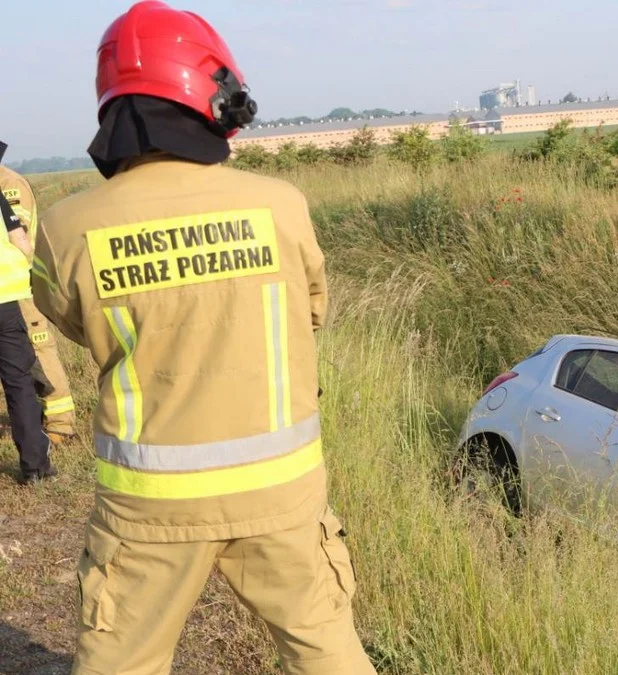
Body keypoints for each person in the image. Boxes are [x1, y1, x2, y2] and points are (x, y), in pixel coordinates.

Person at [31, 2, 375, 673]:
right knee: (327, 652)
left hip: (148, 511)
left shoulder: (68, 226)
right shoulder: (281, 204)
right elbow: (310, 312)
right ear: (208, 94)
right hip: (282, 498)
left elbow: (75, 324)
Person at [0, 160, 77, 442]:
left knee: (39, 352)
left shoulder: (9, 184)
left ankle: (60, 425)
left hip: (19, 288)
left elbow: (17, 235)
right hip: (5, 292)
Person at [0, 142, 54, 485]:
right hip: (7, 299)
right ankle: (35, 466)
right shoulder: (2, 198)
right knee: (19, 382)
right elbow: (21, 240)